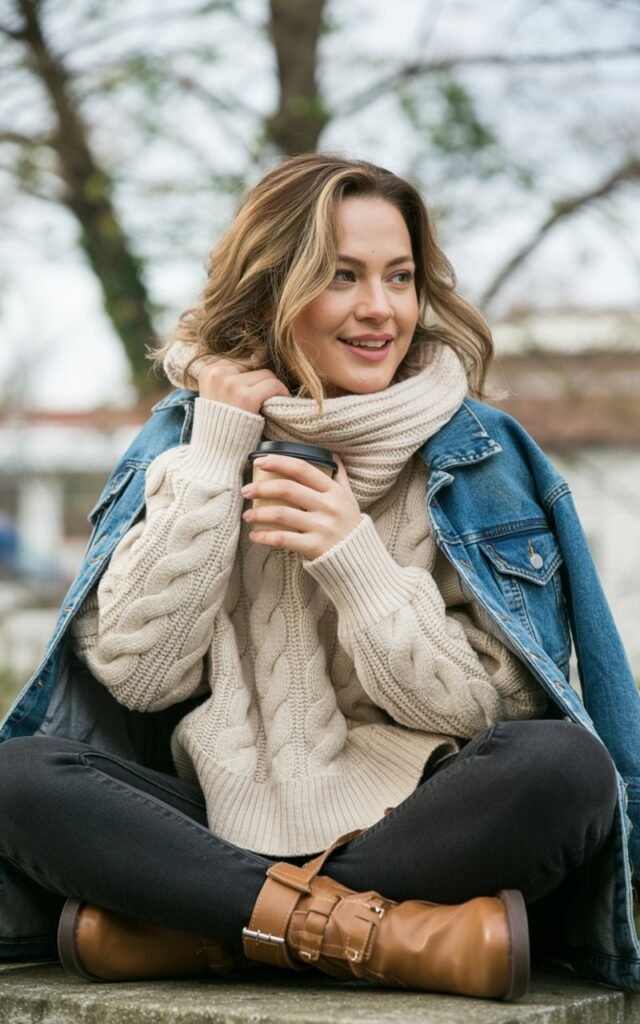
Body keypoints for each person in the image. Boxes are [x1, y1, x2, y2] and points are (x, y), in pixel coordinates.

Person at [1, 153, 638, 1000]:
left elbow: (493, 709)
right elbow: (138, 677)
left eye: (400, 277)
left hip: (417, 826)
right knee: (16, 777)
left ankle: (207, 931)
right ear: (270, 292)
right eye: (342, 277)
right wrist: (217, 454)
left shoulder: (479, 453)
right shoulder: (188, 441)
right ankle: (384, 938)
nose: (381, 309)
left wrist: (356, 562)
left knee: (564, 769)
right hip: (208, 825)